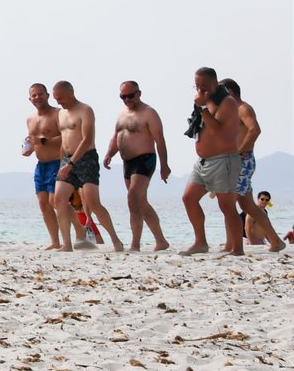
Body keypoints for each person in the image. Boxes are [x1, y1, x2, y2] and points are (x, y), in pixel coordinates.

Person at [180, 67, 245, 256]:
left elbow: (217, 131)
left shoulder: (227, 102)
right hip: (203, 161)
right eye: (197, 86)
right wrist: (201, 105)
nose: (200, 90)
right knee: (188, 198)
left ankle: (237, 249)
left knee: (227, 206)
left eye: (204, 86)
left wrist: (202, 107)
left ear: (216, 84)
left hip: (223, 160)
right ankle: (200, 242)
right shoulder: (205, 101)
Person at [101, 81, 171, 251]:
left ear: (139, 93)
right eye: (123, 96)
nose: (127, 99)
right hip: (128, 162)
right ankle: (161, 241)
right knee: (140, 202)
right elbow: (117, 136)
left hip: (145, 159)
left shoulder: (149, 113)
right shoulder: (122, 114)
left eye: (130, 95)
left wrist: (164, 165)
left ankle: (135, 245)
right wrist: (110, 153)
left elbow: (160, 140)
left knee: (133, 198)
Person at [51, 81, 120, 252]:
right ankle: (66, 244)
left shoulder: (85, 110)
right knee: (58, 200)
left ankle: (115, 240)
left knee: (93, 203)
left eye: (61, 98)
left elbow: (87, 139)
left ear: (71, 92)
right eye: (56, 99)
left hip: (86, 159)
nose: (59, 102)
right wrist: (63, 163)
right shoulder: (60, 114)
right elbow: (64, 140)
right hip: (66, 160)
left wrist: (72, 163)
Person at [220, 79, 285, 252]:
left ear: (230, 92)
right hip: (235, 160)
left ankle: (231, 244)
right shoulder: (231, 112)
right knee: (248, 206)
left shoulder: (243, 108)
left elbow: (254, 130)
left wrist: (239, 152)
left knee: (228, 202)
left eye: (220, 92)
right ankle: (276, 241)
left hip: (242, 160)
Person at [23, 83, 69, 250]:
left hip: (57, 162)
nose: (37, 98)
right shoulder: (30, 119)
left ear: (47, 95)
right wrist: (28, 149)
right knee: (43, 203)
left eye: (40, 94)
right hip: (40, 165)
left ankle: (75, 234)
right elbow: (32, 140)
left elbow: (66, 137)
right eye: (34, 95)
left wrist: (42, 141)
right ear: (30, 99)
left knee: (56, 201)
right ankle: (55, 241)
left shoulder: (58, 114)